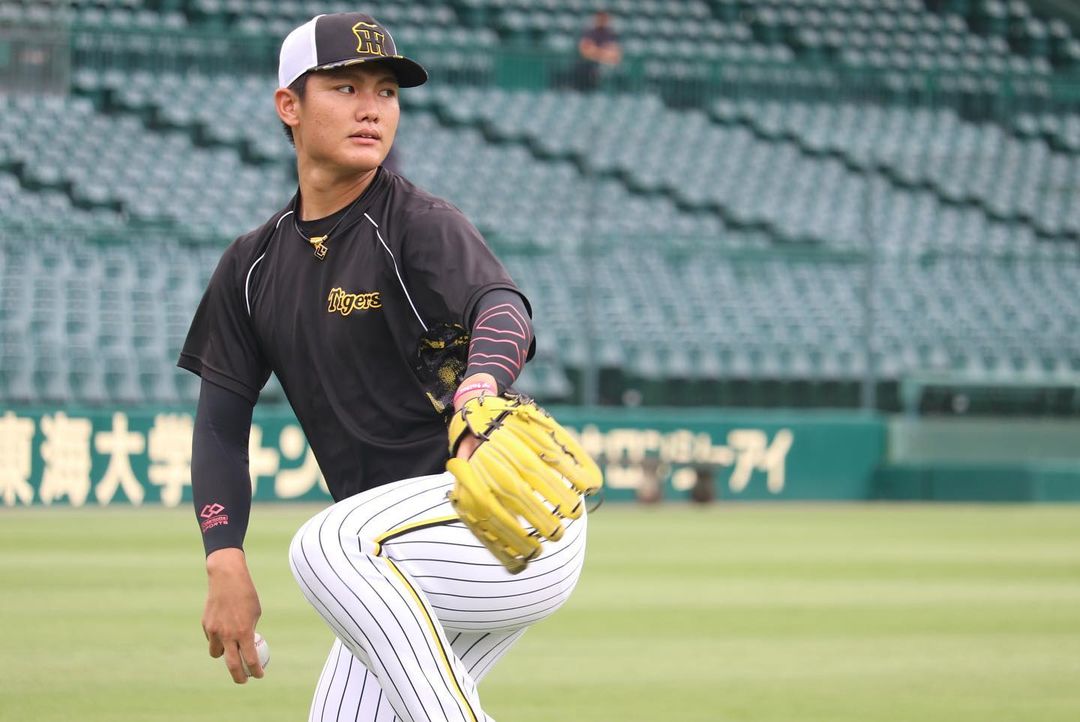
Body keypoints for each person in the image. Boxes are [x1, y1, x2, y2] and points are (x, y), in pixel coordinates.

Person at [178, 12, 591, 721]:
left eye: (387, 92)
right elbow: (220, 427)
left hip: (498, 517)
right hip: (402, 553)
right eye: (345, 88)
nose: (372, 108)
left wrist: (481, 386)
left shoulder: (417, 223)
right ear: (289, 106)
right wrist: (224, 557)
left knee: (325, 545)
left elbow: (501, 307)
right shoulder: (251, 266)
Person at [575, 10, 622, 90]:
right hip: (588, 66)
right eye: (600, 18)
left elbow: (616, 55)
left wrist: (596, 52)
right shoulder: (589, 33)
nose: (602, 20)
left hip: (606, 65)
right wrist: (604, 54)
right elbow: (585, 51)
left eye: (604, 18)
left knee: (610, 68)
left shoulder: (610, 34)